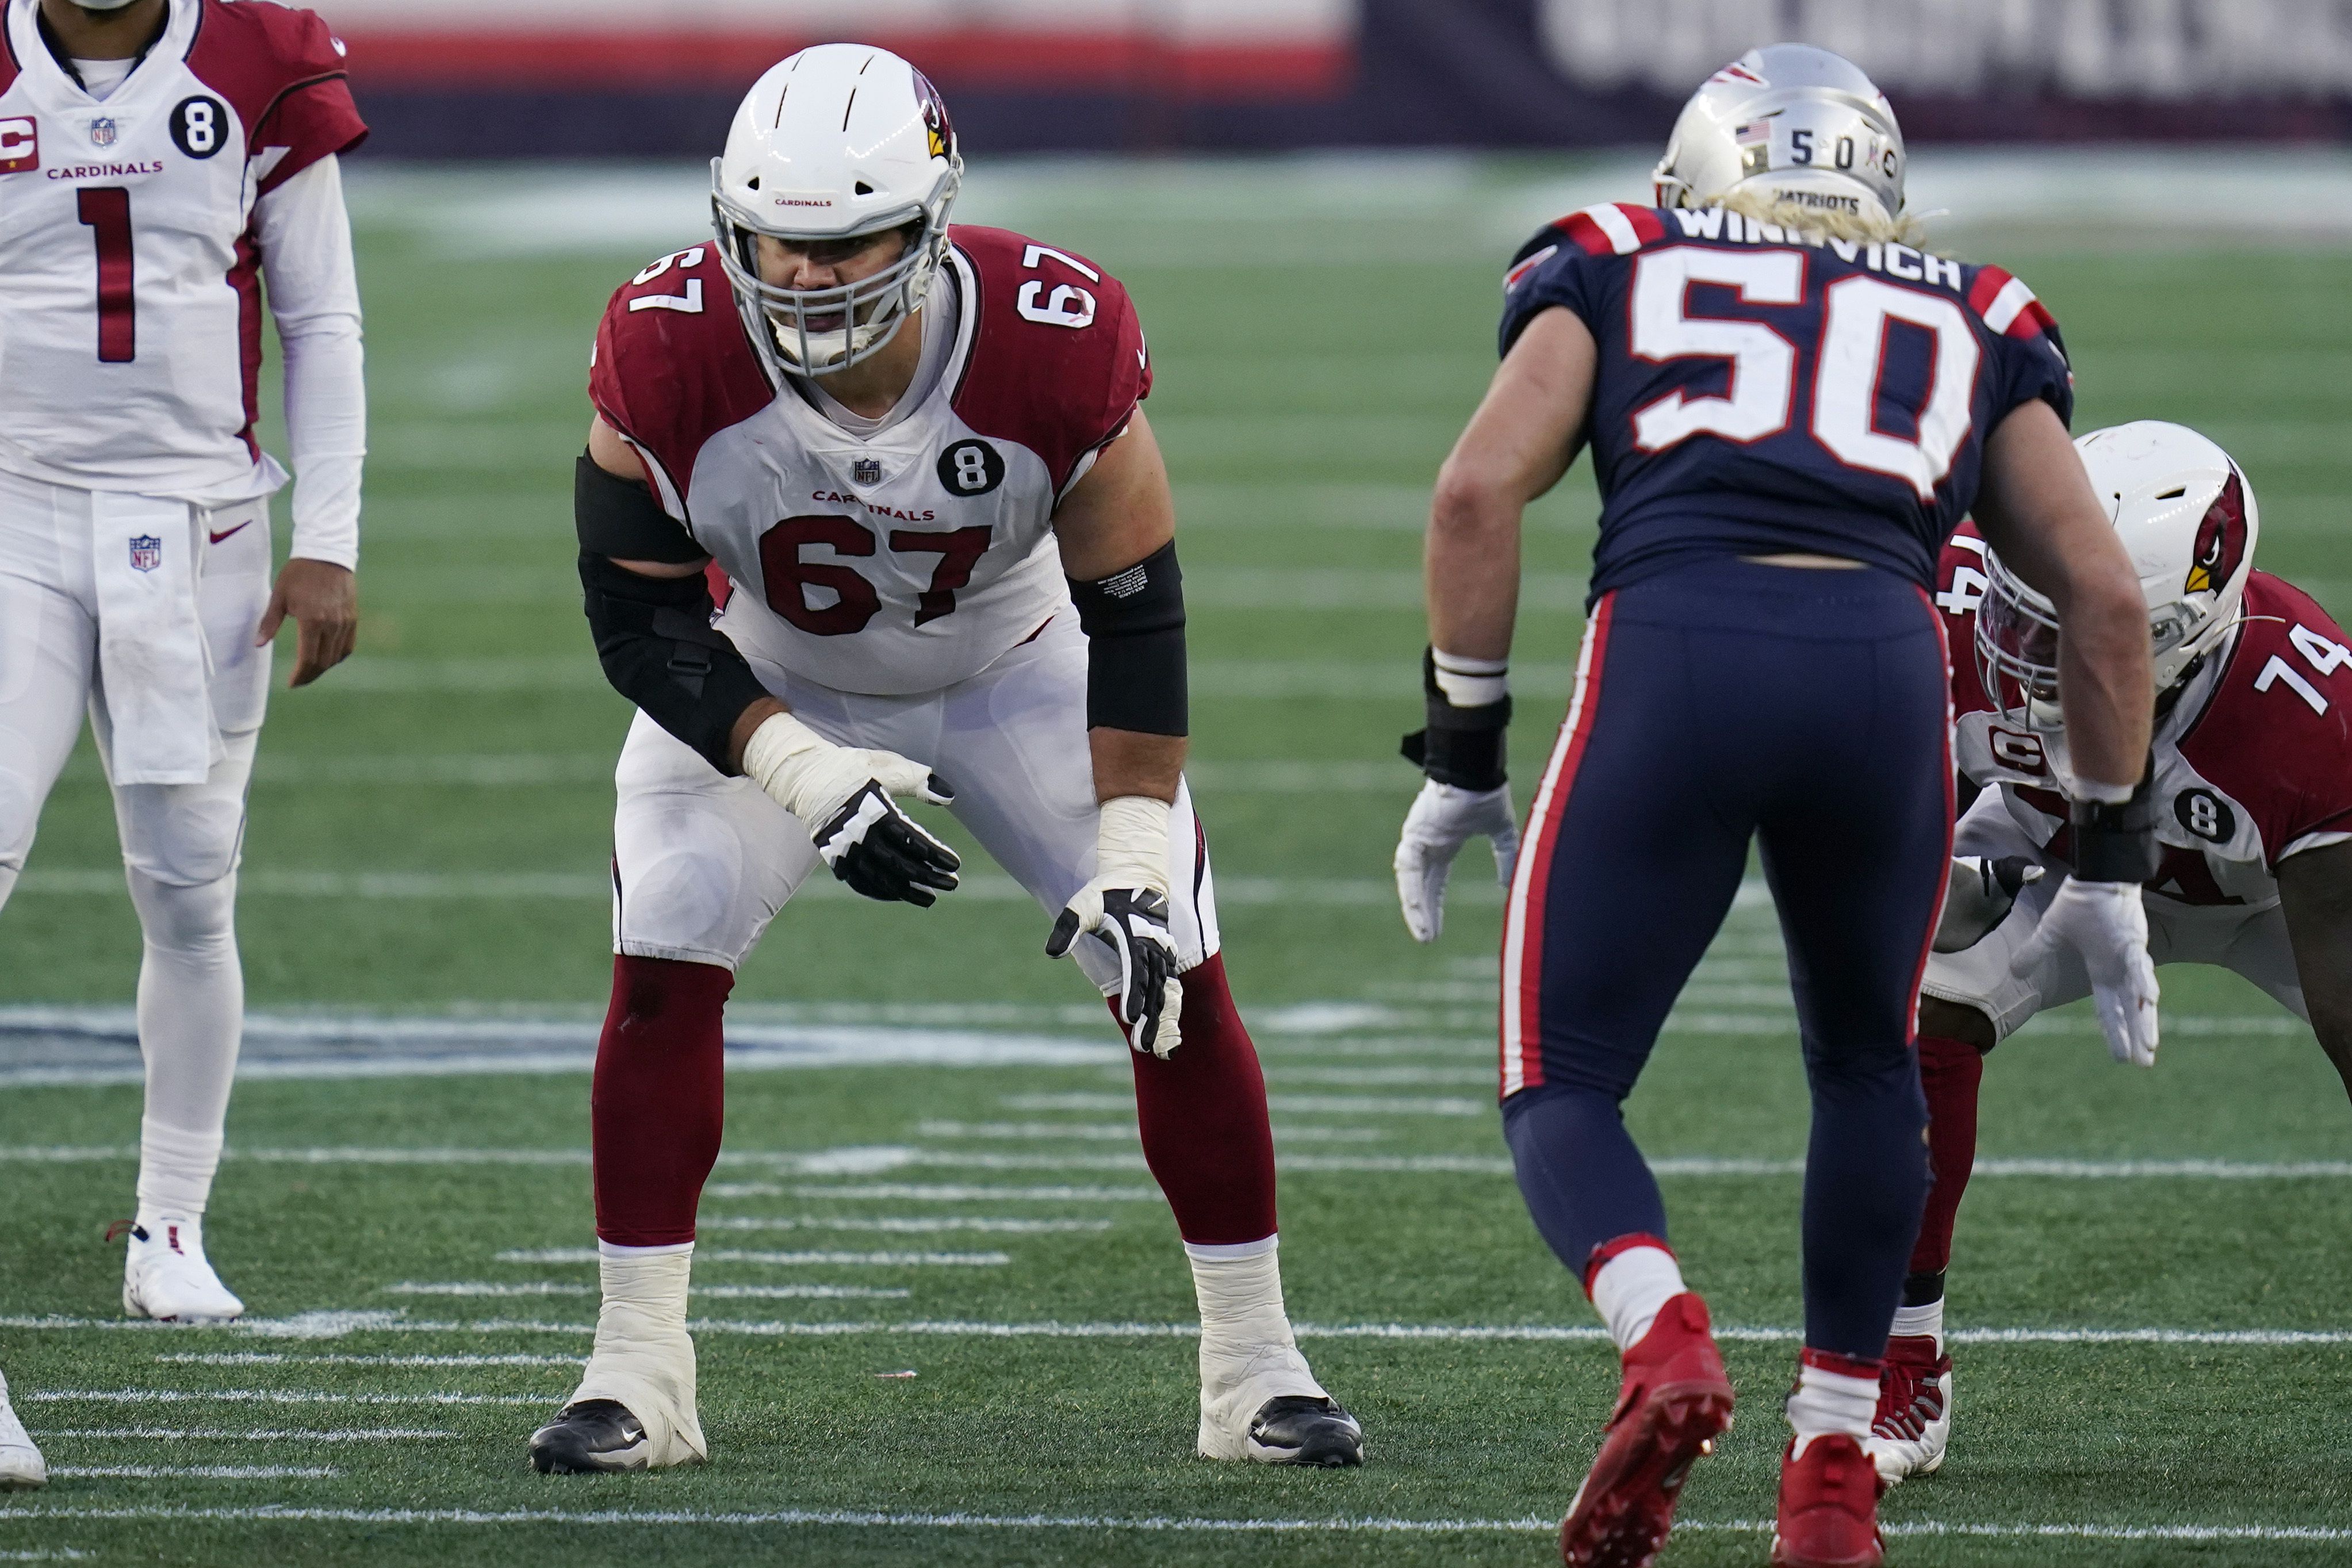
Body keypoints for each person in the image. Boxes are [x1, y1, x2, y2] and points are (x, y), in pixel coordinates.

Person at [525, 43, 1359, 1477]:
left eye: (845, 245)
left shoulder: (1050, 330)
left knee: (1171, 969)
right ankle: (635, 1371)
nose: (804, 280)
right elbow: (636, 614)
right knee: (661, 940)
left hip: (1014, 668)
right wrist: (796, 770)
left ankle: (1254, 1366)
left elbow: (1138, 611)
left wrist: (1136, 855)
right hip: (770, 668)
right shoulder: (664, 345)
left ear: (928, 225)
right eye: (778, 243)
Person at [1395, 44, 2159, 1568]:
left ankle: (1661, 1330)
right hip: (1881, 675)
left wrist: (1464, 750)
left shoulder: (1615, 252)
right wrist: (2108, 860)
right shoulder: (1975, 306)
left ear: (1700, 175)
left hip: (1673, 651)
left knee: (1562, 1076)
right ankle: (1828, 1472)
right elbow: (2101, 593)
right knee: (1869, 1070)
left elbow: (1479, 491)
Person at [0, 0, 366, 1418]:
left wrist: (327, 534)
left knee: (188, 891)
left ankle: (170, 1227)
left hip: (194, 522)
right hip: (16, 509)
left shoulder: (262, 56)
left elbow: (320, 314)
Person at [1866, 421, 2352, 1485]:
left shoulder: (2305, 717)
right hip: (2060, 855)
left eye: (2062, 627)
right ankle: (1905, 1360)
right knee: (1919, 991)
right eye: (2017, 604)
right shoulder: (1953, 602)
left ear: (2180, 632)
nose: (2012, 645)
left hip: (2260, 896)